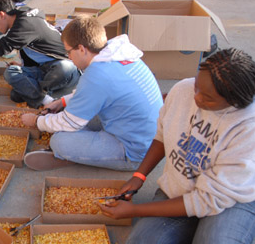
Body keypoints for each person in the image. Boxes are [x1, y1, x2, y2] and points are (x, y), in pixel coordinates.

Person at [100, 48, 255, 244]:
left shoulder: (247, 127)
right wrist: (139, 176)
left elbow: (206, 201)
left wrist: (135, 210)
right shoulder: (183, 90)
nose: (195, 97)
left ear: (234, 101)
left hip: (230, 202)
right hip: (183, 190)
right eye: (196, 86)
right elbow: (162, 134)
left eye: (207, 97)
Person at [20, 16, 163, 171]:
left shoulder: (97, 75)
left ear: (82, 49)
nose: (68, 57)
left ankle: (72, 155)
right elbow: (94, 93)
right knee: (69, 115)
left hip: (135, 152)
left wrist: (36, 121)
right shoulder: (116, 55)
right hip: (147, 136)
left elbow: (69, 121)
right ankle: (86, 150)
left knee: (59, 140)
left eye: (68, 51)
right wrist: (61, 102)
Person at [0, 0, 80, 108]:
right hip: (43, 70)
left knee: (64, 67)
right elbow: (32, 45)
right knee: (11, 72)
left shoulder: (24, 25)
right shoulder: (21, 13)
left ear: (1, 15)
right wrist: (21, 65)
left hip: (65, 69)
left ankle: (36, 95)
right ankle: (44, 97)